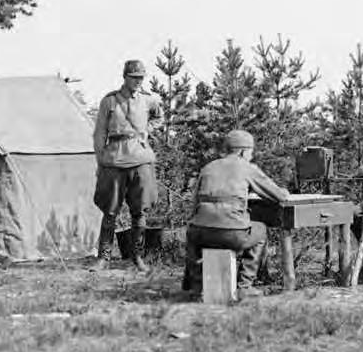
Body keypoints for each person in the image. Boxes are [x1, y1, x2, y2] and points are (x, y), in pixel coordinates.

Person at [183, 129, 290, 299]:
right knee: (260, 230)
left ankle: (197, 288)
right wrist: (283, 191)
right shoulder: (247, 168)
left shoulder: (208, 167)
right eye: (251, 152)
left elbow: (194, 203)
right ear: (243, 151)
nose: (251, 155)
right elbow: (279, 195)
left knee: (193, 234)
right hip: (231, 235)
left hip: (200, 233)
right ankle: (244, 285)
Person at [89, 59, 161, 272]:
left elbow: (159, 118)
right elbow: (100, 132)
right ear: (125, 77)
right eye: (134, 77)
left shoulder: (149, 100)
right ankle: (104, 257)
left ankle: (137, 256)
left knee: (140, 212)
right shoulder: (110, 101)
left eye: (141, 77)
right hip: (115, 158)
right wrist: (100, 158)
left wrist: (149, 130)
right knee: (110, 211)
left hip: (141, 158)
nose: (138, 81)